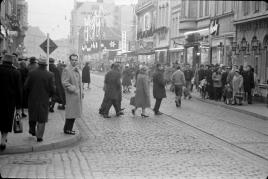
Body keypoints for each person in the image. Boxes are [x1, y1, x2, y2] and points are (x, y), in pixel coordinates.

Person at [24, 57, 55, 142]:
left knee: (32, 115)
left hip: (32, 98)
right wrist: (49, 96)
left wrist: (29, 94)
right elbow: (52, 89)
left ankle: (32, 130)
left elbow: (26, 86)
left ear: (38, 64)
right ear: (46, 65)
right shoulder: (50, 75)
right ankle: (39, 136)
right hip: (44, 99)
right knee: (42, 118)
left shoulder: (32, 73)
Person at [0, 54, 22, 150]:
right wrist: (18, 107)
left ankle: (3, 139)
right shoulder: (16, 72)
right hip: (10, 101)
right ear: (12, 61)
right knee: (7, 120)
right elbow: (18, 90)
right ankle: (3, 140)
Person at [61, 54, 83, 134]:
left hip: (77, 95)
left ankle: (67, 129)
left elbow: (79, 82)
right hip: (71, 95)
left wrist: (81, 92)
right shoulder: (67, 69)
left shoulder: (77, 69)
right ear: (70, 60)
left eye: (76, 60)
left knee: (74, 113)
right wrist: (73, 89)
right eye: (73, 60)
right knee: (71, 113)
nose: (74, 61)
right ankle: (67, 129)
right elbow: (64, 82)